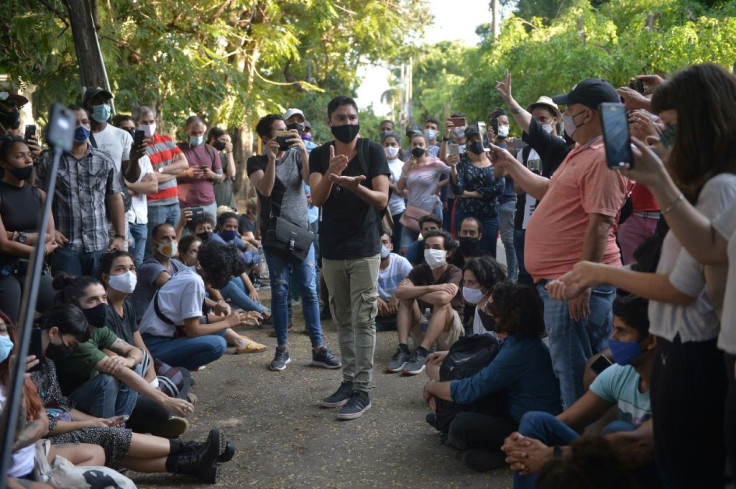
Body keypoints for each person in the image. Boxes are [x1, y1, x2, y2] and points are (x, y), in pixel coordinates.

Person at [546, 64, 736, 489]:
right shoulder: (702, 187)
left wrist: (596, 270)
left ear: (702, 126)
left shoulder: (720, 188)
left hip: (695, 354)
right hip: (681, 352)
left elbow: (681, 286)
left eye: (668, 127)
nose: (660, 137)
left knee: (688, 472)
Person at [489, 77, 631, 410]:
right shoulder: (582, 150)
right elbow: (547, 190)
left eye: (571, 110)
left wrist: (581, 284)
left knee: (577, 373)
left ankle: (577, 448)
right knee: (571, 368)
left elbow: (599, 224)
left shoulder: (604, 157)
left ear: (591, 114)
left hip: (573, 283)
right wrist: (510, 164)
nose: (565, 116)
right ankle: (577, 440)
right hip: (561, 281)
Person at [25, 304, 233, 482]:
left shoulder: (47, 363)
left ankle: (195, 461)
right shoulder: (24, 369)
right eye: (69, 344)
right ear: (53, 332)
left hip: (58, 429)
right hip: (41, 442)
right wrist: (90, 423)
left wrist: (98, 421)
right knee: (106, 437)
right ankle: (192, 450)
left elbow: (60, 405)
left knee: (108, 438)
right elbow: (43, 424)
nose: (69, 350)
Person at [503, 294, 657, 488]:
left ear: (651, 341)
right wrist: (521, 443)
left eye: (622, 332)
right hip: (615, 467)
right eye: (613, 330)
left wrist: (552, 455)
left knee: (618, 432)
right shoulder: (620, 374)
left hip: (656, 475)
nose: (613, 339)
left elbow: (635, 444)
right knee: (534, 421)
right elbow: (567, 419)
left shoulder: (675, 384)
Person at [422, 283, 561, 472]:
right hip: (512, 410)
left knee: (461, 425)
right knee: (454, 412)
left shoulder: (518, 351)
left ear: (507, 315)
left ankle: (506, 454)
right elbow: (489, 357)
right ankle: (451, 426)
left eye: (491, 308)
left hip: (527, 429)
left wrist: (432, 386)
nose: (485, 310)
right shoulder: (518, 341)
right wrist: (450, 354)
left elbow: (470, 390)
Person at [309, 95, 390, 420]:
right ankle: (347, 382)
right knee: (342, 318)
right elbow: (316, 198)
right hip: (331, 249)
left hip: (364, 247)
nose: (347, 123)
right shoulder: (319, 154)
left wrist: (356, 187)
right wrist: (330, 174)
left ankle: (363, 390)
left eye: (351, 117)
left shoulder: (372, 151)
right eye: (340, 118)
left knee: (363, 318)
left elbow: (382, 199)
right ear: (329, 122)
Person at [247, 113, 340, 371]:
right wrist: (273, 160)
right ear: (266, 138)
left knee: (309, 290)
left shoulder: (299, 154)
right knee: (279, 289)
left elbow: (311, 182)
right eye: (279, 131)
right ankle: (282, 349)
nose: (286, 133)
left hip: (301, 231)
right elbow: (265, 190)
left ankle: (318, 348)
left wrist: (303, 151)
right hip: (274, 233)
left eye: (287, 130)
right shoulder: (255, 161)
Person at [52, 274, 194, 421]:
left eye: (103, 298)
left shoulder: (97, 327)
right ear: (75, 306)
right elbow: (119, 371)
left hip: (110, 397)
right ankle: (111, 433)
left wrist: (130, 361)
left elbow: (137, 351)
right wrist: (166, 400)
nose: (102, 304)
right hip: (74, 406)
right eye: (92, 300)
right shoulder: (75, 339)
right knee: (108, 380)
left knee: (162, 371)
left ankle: (120, 425)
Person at [100, 250, 192, 438]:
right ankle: (165, 415)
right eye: (120, 269)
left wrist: (153, 383)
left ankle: (167, 411)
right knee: (160, 408)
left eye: (132, 268)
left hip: (141, 376)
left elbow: (142, 348)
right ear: (105, 277)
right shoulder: (102, 311)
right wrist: (158, 396)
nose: (128, 274)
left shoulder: (127, 306)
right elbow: (115, 365)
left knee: (183, 373)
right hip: (124, 386)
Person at [36, 106, 128, 278]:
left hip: (99, 246)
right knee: (67, 301)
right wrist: (50, 230)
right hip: (65, 248)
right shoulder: (49, 160)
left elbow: (114, 198)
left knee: (97, 299)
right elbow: (39, 198)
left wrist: (120, 237)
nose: (81, 127)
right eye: (74, 123)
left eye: (85, 122)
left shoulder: (104, 160)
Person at [495, 72, 569, 285]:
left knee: (548, 282)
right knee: (525, 281)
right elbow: (517, 188)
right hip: (523, 225)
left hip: (553, 226)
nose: (538, 124)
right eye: (534, 120)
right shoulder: (524, 153)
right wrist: (529, 177)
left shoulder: (564, 149)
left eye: (543, 119)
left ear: (555, 119)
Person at [139, 240, 259, 369]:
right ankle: (167, 370)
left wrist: (236, 319)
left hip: (165, 338)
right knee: (217, 344)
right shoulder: (194, 282)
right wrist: (227, 322)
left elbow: (196, 319)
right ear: (217, 271)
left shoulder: (191, 274)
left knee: (219, 330)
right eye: (226, 275)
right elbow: (193, 331)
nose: (226, 279)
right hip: (153, 345)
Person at [388, 230, 464, 375]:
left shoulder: (455, 272)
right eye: (427, 247)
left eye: (436, 247)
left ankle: (422, 352)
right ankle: (403, 349)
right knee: (405, 299)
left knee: (442, 304)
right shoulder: (419, 270)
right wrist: (432, 288)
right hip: (423, 327)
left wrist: (415, 291)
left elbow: (443, 298)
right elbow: (399, 293)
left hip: (449, 335)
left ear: (448, 253)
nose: (430, 251)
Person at [0, 136, 57, 323]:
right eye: (19, 156)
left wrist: (17, 236)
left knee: (64, 310)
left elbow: (50, 235)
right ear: (4, 163)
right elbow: (4, 245)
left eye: (29, 155)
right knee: (9, 325)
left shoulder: (40, 195)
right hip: (5, 272)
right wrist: (39, 249)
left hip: (34, 270)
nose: (28, 160)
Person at [134, 106, 189, 255]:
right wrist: (174, 171)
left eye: (151, 121)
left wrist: (160, 171)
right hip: (154, 204)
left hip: (174, 202)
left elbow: (184, 164)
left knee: (173, 247)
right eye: (144, 122)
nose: (149, 125)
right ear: (136, 122)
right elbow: (147, 180)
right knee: (154, 249)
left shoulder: (167, 140)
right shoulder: (137, 147)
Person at [449, 126, 505, 257]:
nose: (476, 142)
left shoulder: (495, 160)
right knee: (466, 255)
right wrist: (453, 168)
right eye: (471, 140)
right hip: (466, 216)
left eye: (478, 138)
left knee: (488, 255)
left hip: (488, 216)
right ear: (467, 142)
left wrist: (470, 193)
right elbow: (458, 189)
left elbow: (498, 189)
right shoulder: (462, 162)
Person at [112, 115, 157, 269]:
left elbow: (153, 187)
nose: (129, 133)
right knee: (123, 260)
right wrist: (139, 185)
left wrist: (127, 186)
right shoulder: (112, 155)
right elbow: (114, 191)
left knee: (137, 263)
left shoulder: (143, 157)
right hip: (124, 217)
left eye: (132, 129)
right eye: (125, 129)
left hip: (141, 218)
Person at [397, 132, 451, 251]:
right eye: (414, 144)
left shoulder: (435, 163)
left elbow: (454, 174)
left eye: (421, 144)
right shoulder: (407, 164)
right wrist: (407, 171)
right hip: (412, 213)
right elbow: (399, 187)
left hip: (432, 211)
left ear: (426, 147)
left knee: (435, 248)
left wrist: (441, 184)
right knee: (405, 250)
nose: (417, 147)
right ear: (410, 147)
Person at [488, 108, 518, 281]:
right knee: (490, 239)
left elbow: (510, 172)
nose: (505, 126)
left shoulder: (511, 147)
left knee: (508, 240)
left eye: (507, 123)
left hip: (508, 199)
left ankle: (513, 276)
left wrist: (511, 156)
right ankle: (491, 276)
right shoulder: (487, 146)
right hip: (489, 201)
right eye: (501, 123)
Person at [176, 116, 225, 220]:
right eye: (194, 133)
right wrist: (186, 173)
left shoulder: (211, 151)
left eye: (201, 133)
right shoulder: (177, 150)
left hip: (208, 204)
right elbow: (166, 176)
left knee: (207, 235)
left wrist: (211, 174)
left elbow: (220, 178)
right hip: (183, 205)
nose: (197, 135)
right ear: (186, 130)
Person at [459, 256, 508, 337]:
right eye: (464, 282)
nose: (465, 287)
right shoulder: (479, 306)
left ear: (487, 283)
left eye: (471, 282)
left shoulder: (496, 313)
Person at [376, 231, 412, 332]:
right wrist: (374, 297)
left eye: (384, 242)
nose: (381, 246)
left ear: (391, 246)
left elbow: (413, 281)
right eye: (377, 242)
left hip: (399, 308)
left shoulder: (401, 261)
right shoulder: (366, 266)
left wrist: (397, 295)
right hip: (378, 312)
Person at [381, 131, 407, 250]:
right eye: (386, 144)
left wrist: (390, 185)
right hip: (381, 211)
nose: (389, 147)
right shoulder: (379, 165)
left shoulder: (404, 166)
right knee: (383, 244)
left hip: (398, 210)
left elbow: (407, 192)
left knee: (397, 245)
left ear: (399, 146)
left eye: (393, 144)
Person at [206, 127, 237, 209]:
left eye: (227, 140)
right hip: (209, 199)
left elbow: (232, 173)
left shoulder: (224, 155)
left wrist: (229, 152)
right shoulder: (203, 152)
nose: (225, 143)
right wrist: (219, 176)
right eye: (223, 140)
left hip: (226, 199)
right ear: (213, 138)